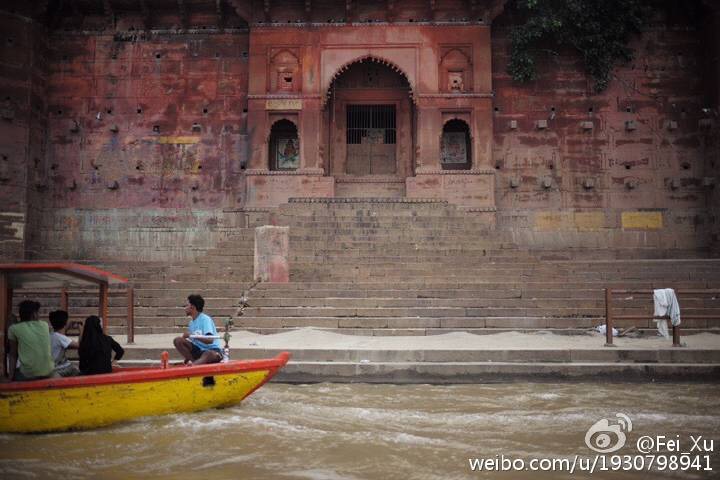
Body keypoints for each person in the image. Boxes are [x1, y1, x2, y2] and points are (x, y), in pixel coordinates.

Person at [8, 300, 55, 381]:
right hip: (49, 371)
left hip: (28, 375)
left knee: (16, 373)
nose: (39, 315)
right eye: (38, 312)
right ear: (34, 314)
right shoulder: (44, 325)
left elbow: (13, 354)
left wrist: (10, 376)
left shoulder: (13, 329)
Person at [173, 294, 222, 365]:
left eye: (187, 305)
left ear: (192, 307)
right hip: (199, 351)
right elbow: (194, 343)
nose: (185, 308)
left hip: (212, 351)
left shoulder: (205, 319)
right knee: (178, 340)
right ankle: (194, 362)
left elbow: (210, 340)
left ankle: (193, 366)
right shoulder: (191, 323)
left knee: (208, 354)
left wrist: (192, 335)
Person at [49, 310, 80, 377]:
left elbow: (60, 334)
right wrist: (81, 329)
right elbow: (79, 345)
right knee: (77, 371)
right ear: (65, 323)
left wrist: (66, 327)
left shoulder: (51, 335)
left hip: (54, 366)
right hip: (58, 368)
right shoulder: (60, 338)